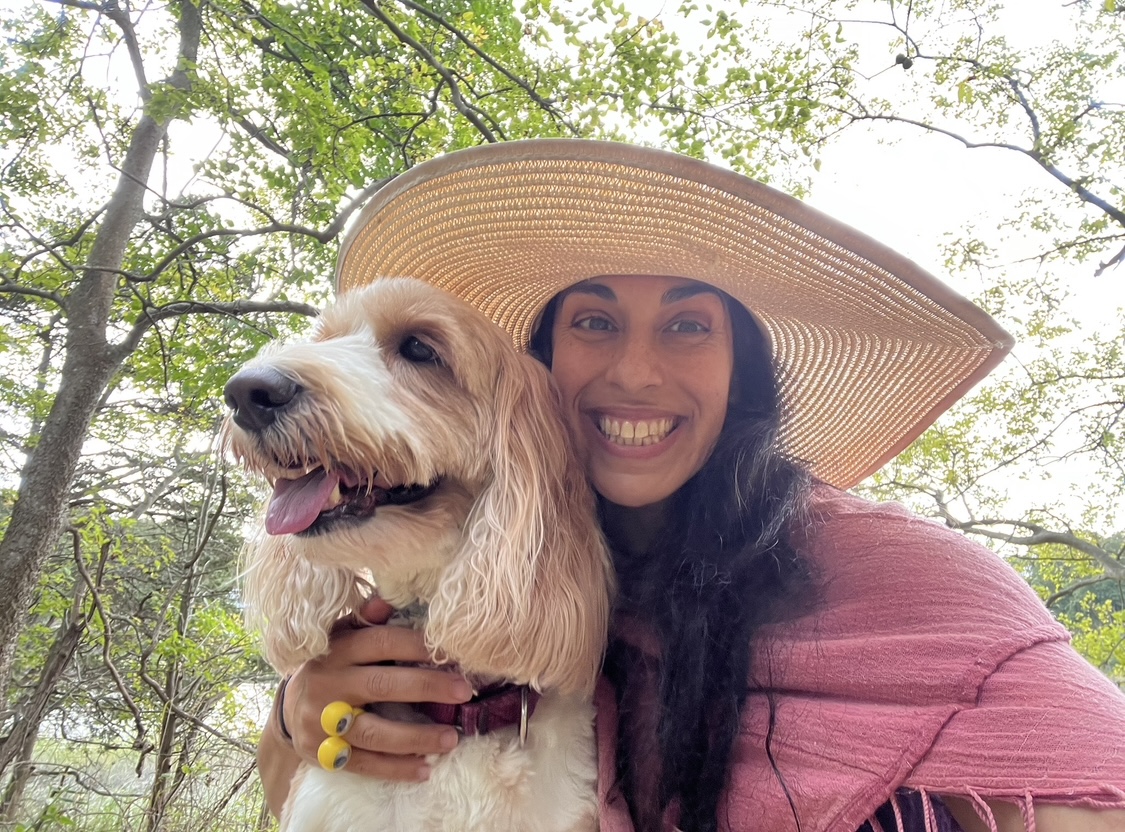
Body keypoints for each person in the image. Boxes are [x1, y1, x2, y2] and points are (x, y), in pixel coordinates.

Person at [255, 140, 1125, 832]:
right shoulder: (473, 556)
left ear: (739, 376)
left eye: (686, 326)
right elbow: (288, 786)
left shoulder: (899, 570)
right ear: (533, 379)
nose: (634, 370)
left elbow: (1088, 778)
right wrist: (302, 712)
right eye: (594, 322)